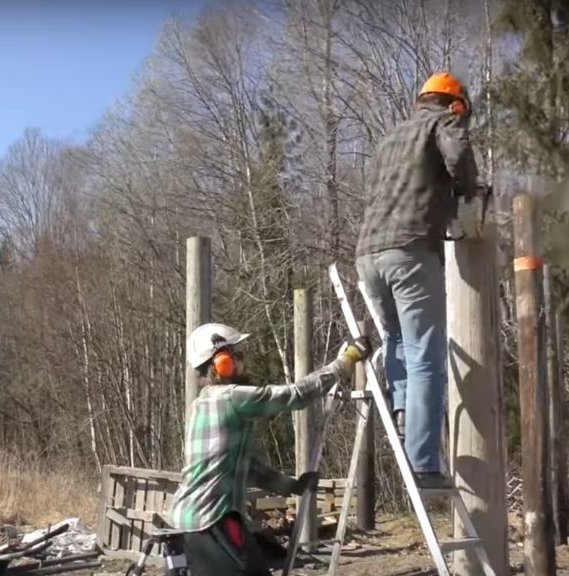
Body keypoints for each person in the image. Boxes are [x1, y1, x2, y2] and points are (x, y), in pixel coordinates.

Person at [354, 72, 486, 489]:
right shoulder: (445, 123)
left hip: (368, 257)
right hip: (411, 252)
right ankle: (425, 463)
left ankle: (403, 411)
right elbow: (458, 155)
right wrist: (470, 191)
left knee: (396, 340)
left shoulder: (390, 138)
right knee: (427, 354)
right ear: (454, 104)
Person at [168, 322, 371, 576]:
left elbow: (250, 470)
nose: (244, 361)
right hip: (212, 520)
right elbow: (294, 395)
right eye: (238, 355)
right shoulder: (230, 397)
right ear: (222, 363)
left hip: (191, 520)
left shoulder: (201, 405)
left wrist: (293, 486)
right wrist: (344, 362)